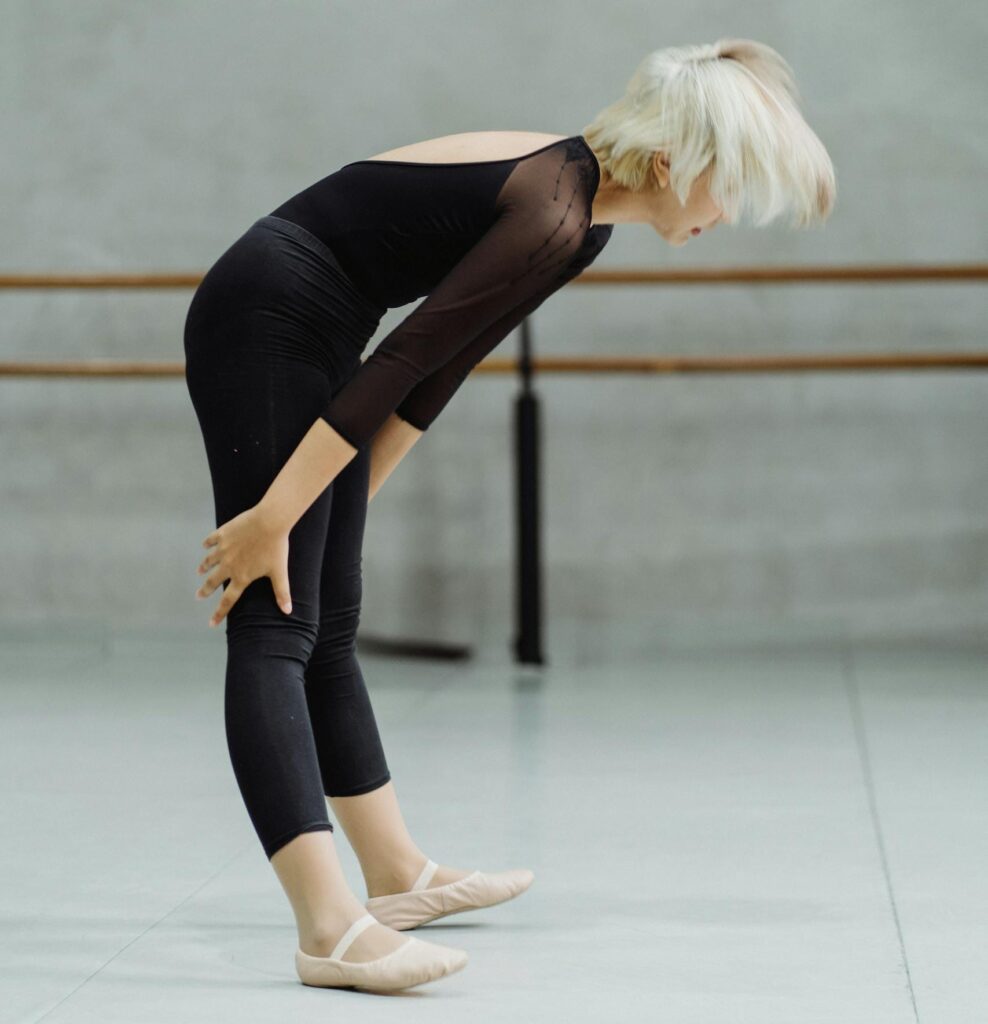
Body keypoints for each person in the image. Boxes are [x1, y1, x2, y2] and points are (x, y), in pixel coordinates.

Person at [182, 36, 835, 994]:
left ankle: (394, 877)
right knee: (275, 623)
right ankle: (327, 928)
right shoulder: (554, 211)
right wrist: (277, 512)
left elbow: (440, 370)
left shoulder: (584, 218)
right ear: (669, 165)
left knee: (331, 617)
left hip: (323, 329)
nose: (726, 213)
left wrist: (345, 497)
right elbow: (400, 362)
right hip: (267, 314)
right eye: (725, 187)